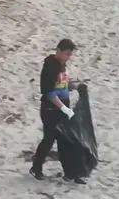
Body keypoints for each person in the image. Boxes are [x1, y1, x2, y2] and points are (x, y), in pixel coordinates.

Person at [29, 38, 86, 184]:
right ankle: (36, 167)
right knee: (49, 139)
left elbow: (62, 85)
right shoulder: (49, 68)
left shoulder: (62, 66)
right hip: (50, 109)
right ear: (58, 51)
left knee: (66, 140)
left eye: (70, 54)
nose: (69, 57)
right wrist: (64, 108)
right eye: (67, 53)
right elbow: (49, 92)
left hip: (61, 108)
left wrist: (75, 85)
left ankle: (70, 173)